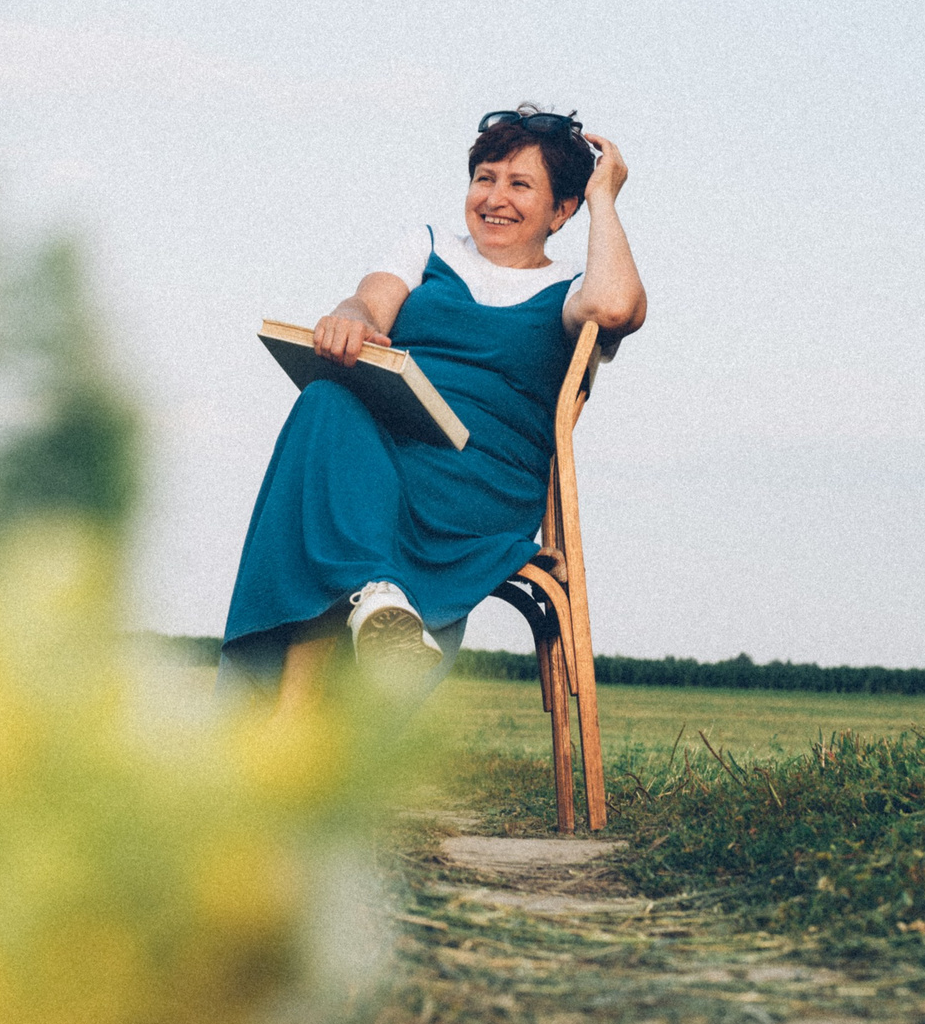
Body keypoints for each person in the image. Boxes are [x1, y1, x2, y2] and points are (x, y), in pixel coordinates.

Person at [218, 106, 648, 712]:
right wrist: (352, 320)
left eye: (520, 184)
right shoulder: (428, 246)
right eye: (485, 177)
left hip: (479, 487)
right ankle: (375, 602)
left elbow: (615, 307)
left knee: (327, 514)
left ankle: (302, 703)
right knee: (326, 398)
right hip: (384, 459)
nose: (495, 197)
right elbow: (369, 303)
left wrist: (605, 196)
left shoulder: (577, 284)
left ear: (562, 210)